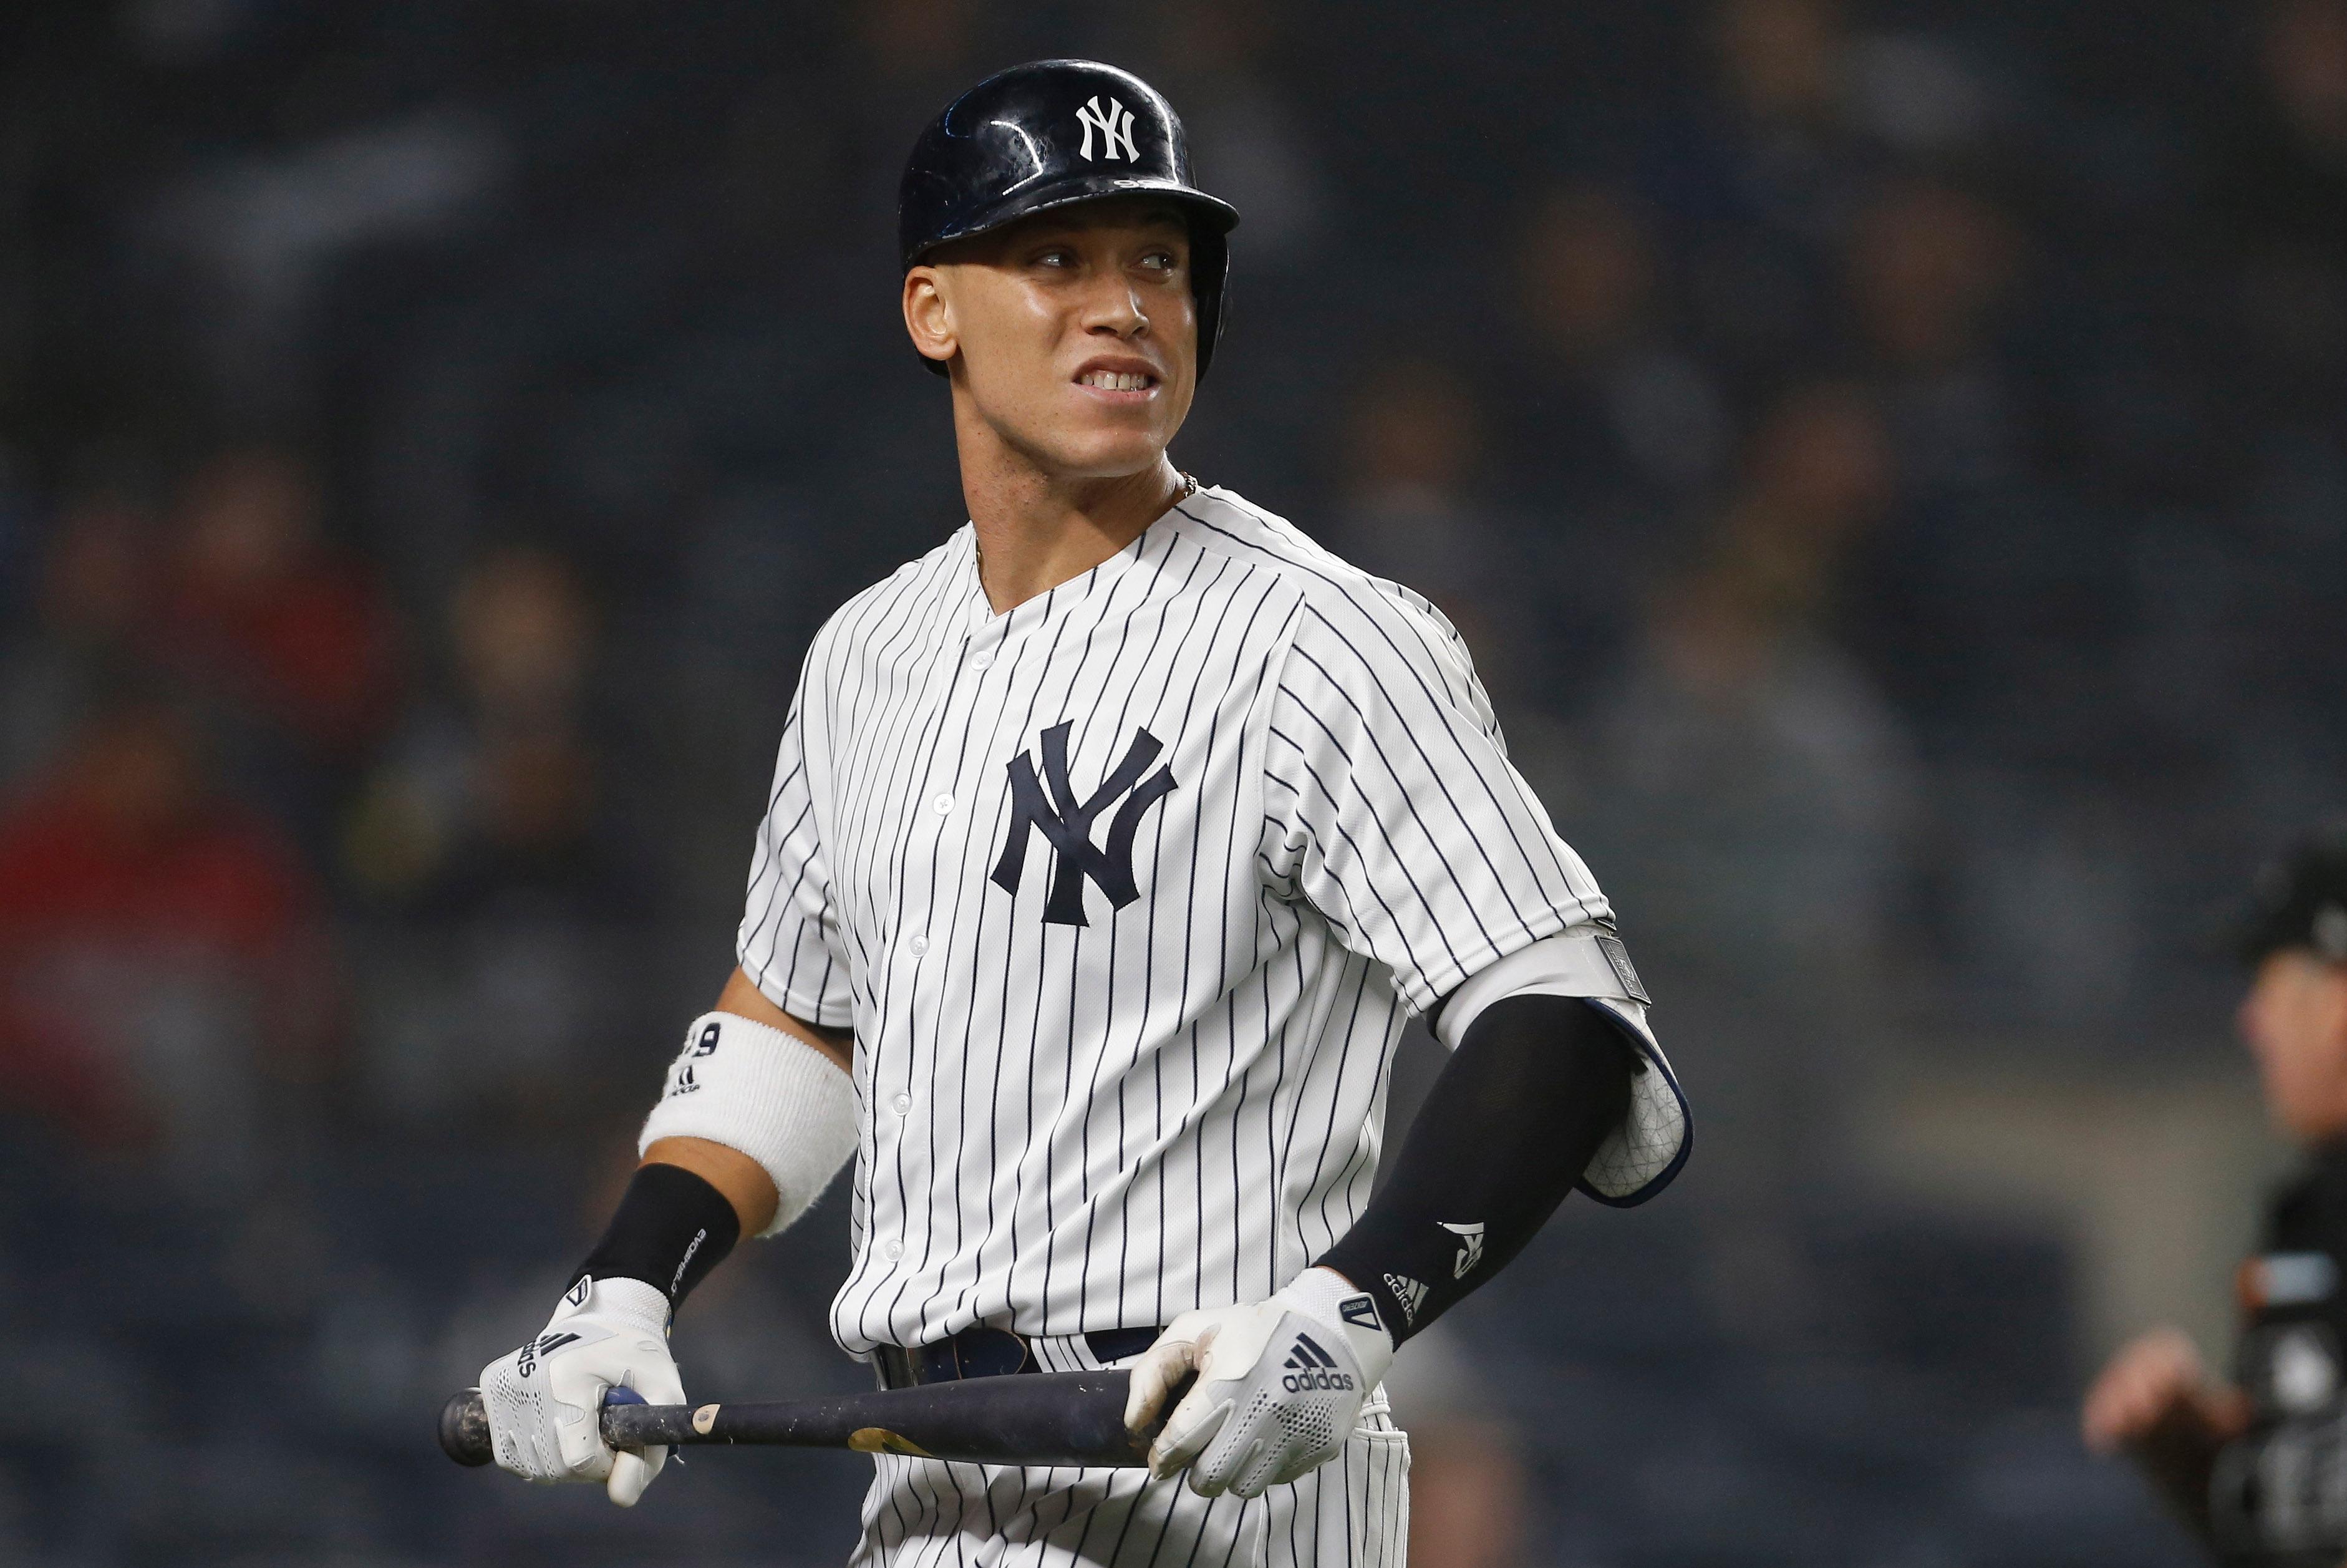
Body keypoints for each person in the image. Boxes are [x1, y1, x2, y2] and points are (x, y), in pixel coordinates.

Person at [470, 59, 1691, 1564]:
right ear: (932, 311)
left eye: (1157, 265)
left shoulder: (1318, 637)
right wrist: (623, 1287)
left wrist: (1344, 1315)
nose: (1123, 304)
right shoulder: (866, 653)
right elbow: (797, 1025)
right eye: (1056, 256)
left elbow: (1561, 1025)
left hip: (1221, 1471)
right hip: (924, 1489)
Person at [2082, 825, 2347, 1560]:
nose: (2251, 1023)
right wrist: (2196, 1453)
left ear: (2338, 1002)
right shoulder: (2314, 1210)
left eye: (2267, 984)